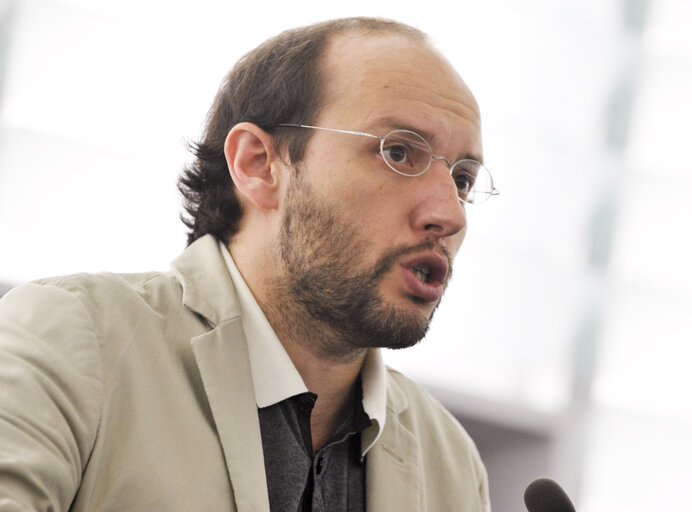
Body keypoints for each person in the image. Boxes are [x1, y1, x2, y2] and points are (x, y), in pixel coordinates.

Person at [0, 17, 498, 511]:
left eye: (463, 180)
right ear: (258, 164)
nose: (449, 214)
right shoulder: (70, 340)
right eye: (398, 152)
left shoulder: (451, 464)